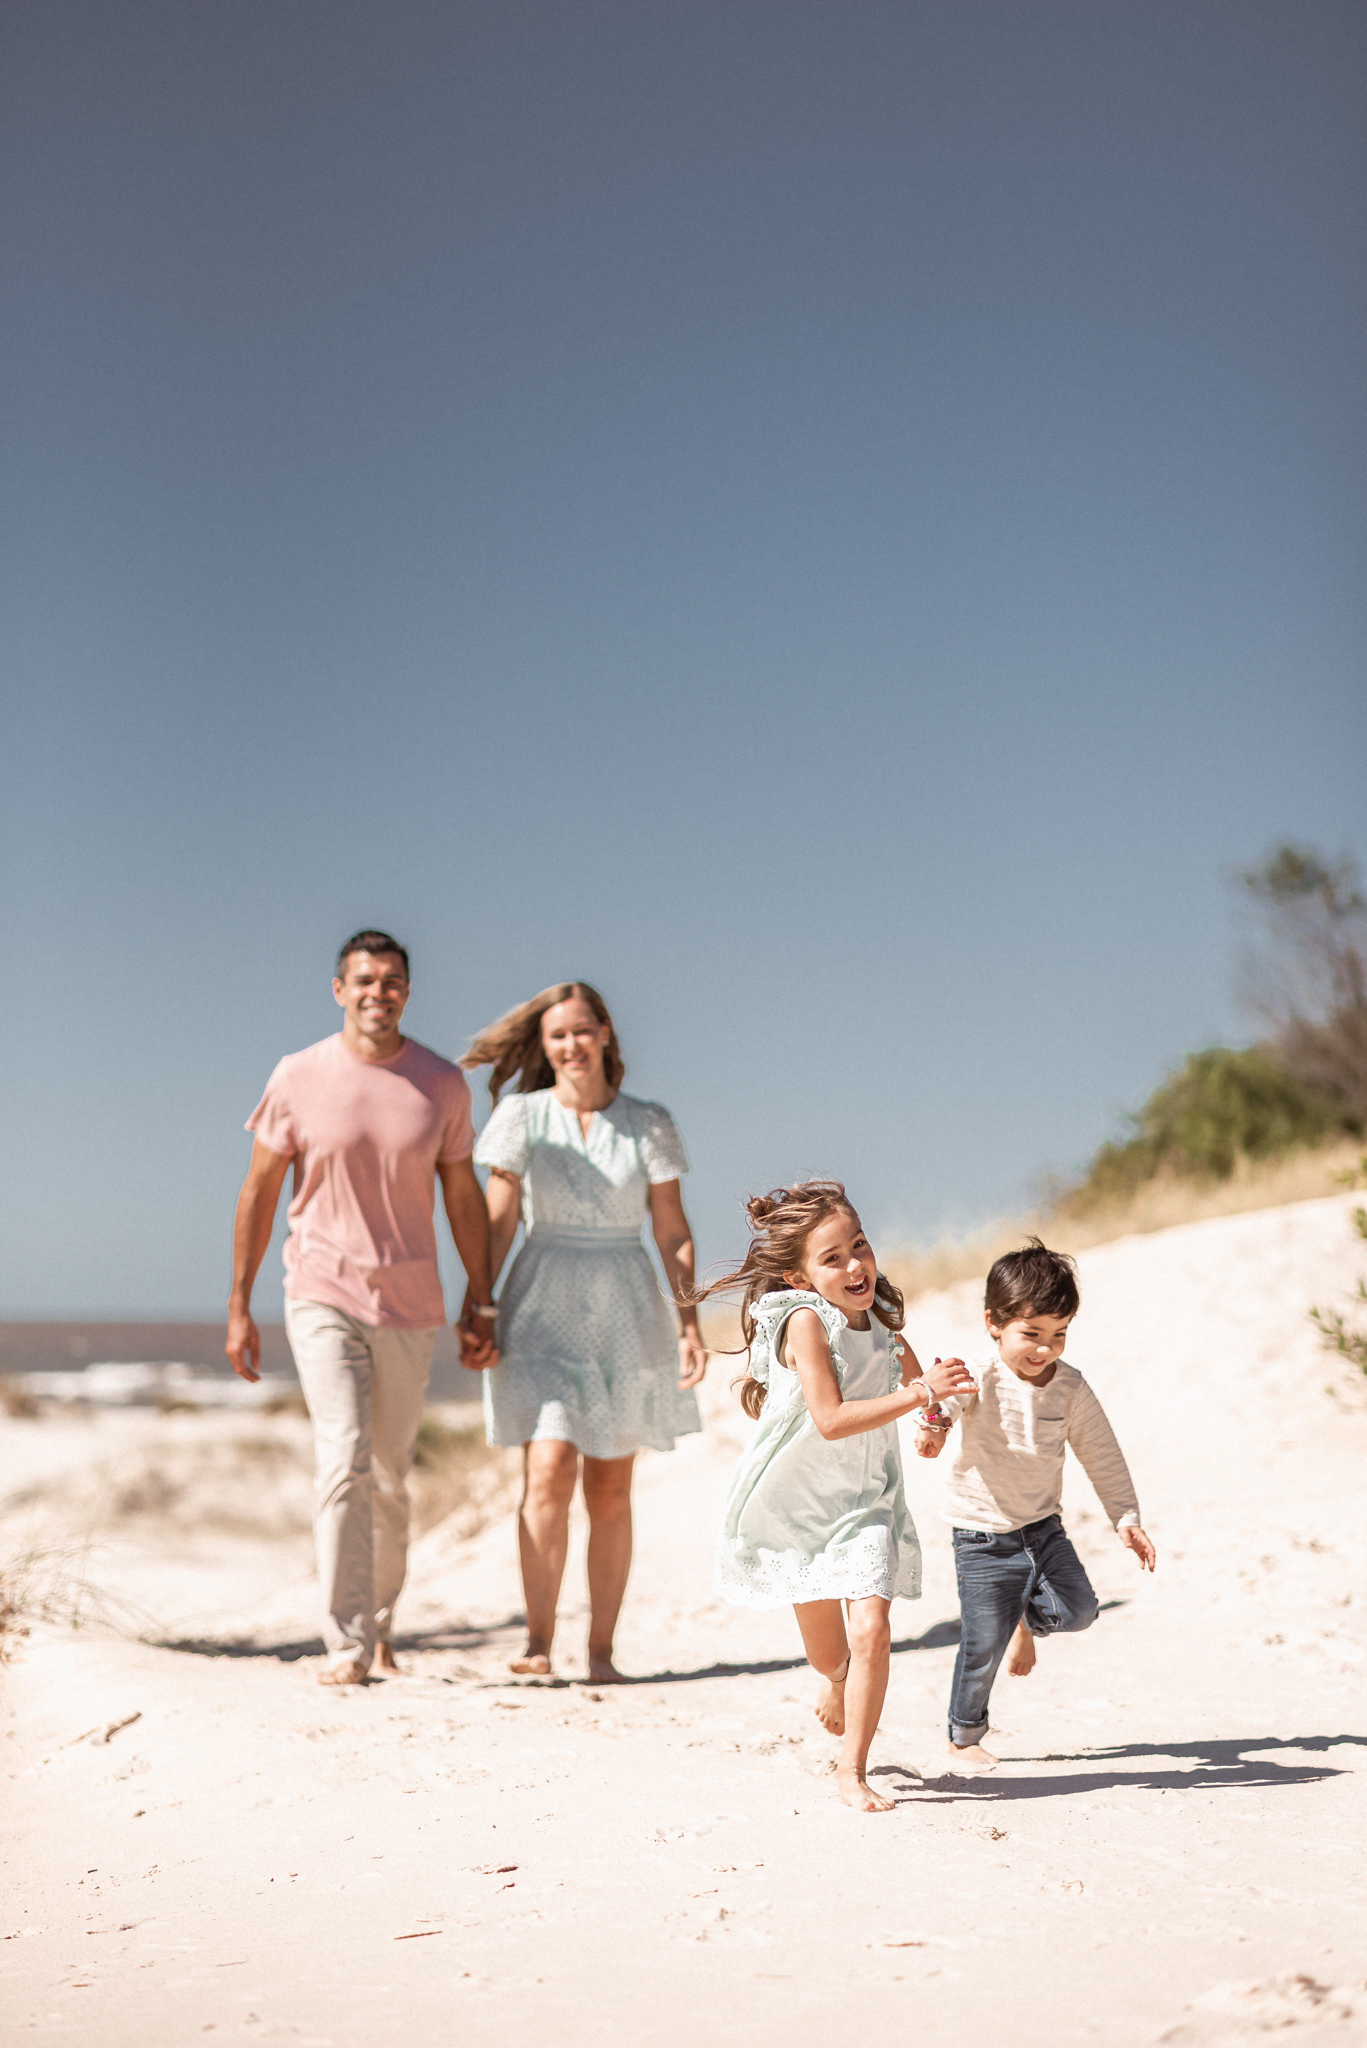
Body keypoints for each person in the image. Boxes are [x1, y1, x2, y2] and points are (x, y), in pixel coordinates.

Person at [226, 930, 497, 1686]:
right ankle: (345, 1644)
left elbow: (462, 1194)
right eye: (365, 980)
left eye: (392, 981)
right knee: (342, 1459)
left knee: (389, 1476)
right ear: (338, 989)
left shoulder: (440, 1083)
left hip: (411, 1303)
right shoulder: (297, 1075)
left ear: (406, 992)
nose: (379, 992)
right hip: (321, 1291)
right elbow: (259, 1192)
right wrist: (239, 1303)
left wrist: (483, 1297)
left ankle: (380, 1626)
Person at [461, 982, 706, 1684]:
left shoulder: (649, 1122)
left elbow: (672, 1230)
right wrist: (477, 1303)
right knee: (546, 1470)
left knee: (609, 1489)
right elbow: (498, 1220)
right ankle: (538, 1643)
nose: (569, 1045)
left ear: (604, 1033)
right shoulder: (521, 1116)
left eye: (580, 1031)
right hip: (538, 1300)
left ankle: (600, 1652)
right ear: (544, 1047)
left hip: (625, 1306)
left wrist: (689, 1318)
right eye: (555, 1036)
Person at [704, 1181, 975, 1813]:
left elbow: (929, 1405)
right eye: (833, 1257)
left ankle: (851, 1768)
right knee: (831, 1653)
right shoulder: (804, 1322)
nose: (856, 1265)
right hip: (798, 1508)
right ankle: (834, 1680)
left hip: (865, 1506)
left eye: (859, 1246)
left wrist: (934, 1421)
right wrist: (920, 1396)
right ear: (799, 1277)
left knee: (873, 1630)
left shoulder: (884, 1333)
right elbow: (830, 1418)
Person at [916, 1237, 1157, 1774]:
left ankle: (1026, 1617)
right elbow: (940, 1406)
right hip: (980, 1535)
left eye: (1059, 1335)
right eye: (1031, 1334)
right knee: (981, 1644)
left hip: (1043, 1528)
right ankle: (964, 1736)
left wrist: (1126, 1517)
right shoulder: (976, 1372)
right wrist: (932, 1428)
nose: (1045, 1349)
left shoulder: (1070, 1387)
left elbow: (1102, 1452)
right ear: (994, 1323)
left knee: (1080, 1612)